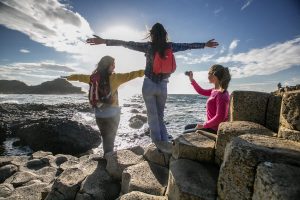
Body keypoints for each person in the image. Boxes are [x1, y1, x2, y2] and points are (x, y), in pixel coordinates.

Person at [86, 23, 219, 144]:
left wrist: (104, 41)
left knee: (152, 117)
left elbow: (125, 43)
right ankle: (165, 141)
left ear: (152, 34)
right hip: (163, 86)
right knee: (160, 116)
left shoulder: (148, 46)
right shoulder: (170, 46)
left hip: (149, 85)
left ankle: (158, 145)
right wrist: (205, 45)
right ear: (165, 35)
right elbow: (188, 46)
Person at [65, 56, 144, 154]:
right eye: (113, 64)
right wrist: (145, 71)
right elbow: (132, 74)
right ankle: (109, 159)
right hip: (113, 113)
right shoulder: (116, 77)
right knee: (110, 139)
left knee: (105, 137)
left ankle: (107, 156)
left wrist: (69, 77)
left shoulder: (92, 78)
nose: (114, 67)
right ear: (109, 66)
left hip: (99, 113)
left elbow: (80, 77)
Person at [184, 64, 231, 134]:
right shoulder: (215, 90)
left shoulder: (221, 94)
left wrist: (204, 125)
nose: (207, 76)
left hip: (215, 129)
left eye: (209, 73)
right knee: (187, 127)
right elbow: (201, 91)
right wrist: (191, 79)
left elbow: (220, 117)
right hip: (211, 126)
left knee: (185, 133)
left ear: (214, 75)